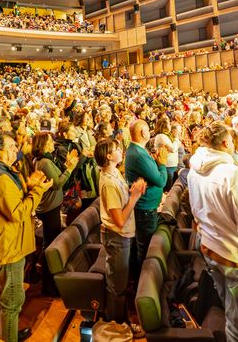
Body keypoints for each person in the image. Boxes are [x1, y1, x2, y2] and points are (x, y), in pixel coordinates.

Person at [188, 122, 238, 342]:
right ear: (224, 143)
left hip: (211, 250)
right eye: (232, 142)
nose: (234, 146)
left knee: (230, 312)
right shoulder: (232, 173)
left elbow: (198, 211)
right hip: (235, 257)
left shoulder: (194, 168)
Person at [0, 132, 53, 342]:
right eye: (11, 147)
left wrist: (30, 185)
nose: (16, 150)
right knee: (12, 300)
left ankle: (4, 332)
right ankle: (8, 336)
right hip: (8, 246)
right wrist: (38, 191)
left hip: (9, 242)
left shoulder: (4, 171)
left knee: (2, 293)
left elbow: (13, 198)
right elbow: (18, 212)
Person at [95, 138, 146, 333]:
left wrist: (132, 191)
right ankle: (118, 326)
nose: (120, 151)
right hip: (117, 237)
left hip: (121, 236)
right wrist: (134, 197)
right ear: (109, 156)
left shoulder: (114, 172)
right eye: (117, 149)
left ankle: (120, 321)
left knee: (120, 282)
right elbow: (119, 220)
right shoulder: (108, 183)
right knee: (117, 286)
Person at [31, 132, 78, 296]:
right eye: (50, 141)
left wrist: (66, 165)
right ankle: (48, 283)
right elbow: (57, 183)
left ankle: (47, 279)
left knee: (49, 242)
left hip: (49, 206)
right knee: (50, 244)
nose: (53, 143)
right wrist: (70, 168)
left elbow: (57, 175)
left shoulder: (44, 160)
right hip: (49, 208)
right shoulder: (44, 162)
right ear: (43, 145)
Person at [124, 119, 168, 268]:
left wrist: (155, 163)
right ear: (143, 133)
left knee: (143, 246)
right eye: (148, 130)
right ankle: (142, 278)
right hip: (145, 210)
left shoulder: (138, 150)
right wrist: (162, 164)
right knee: (145, 249)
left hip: (146, 207)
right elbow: (161, 181)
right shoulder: (139, 154)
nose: (150, 132)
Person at [153, 116, 179, 191]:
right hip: (167, 166)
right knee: (167, 189)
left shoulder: (167, 135)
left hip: (171, 165)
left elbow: (177, 145)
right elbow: (173, 149)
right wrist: (176, 138)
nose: (170, 126)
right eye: (169, 124)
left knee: (170, 187)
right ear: (164, 126)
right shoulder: (161, 136)